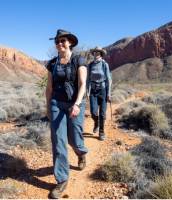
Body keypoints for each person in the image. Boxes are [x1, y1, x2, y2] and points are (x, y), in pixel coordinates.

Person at [46, 29, 88, 199]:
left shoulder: (79, 60)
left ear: (70, 42)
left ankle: (81, 152)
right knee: (58, 141)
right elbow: (49, 88)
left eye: (63, 41)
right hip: (57, 103)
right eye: (57, 41)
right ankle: (62, 180)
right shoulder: (52, 63)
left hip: (75, 103)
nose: (59, 44)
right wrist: (48, 107)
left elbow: (83, 83)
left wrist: (77, 104)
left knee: (74, 138)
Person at [87, 46, 112, 141]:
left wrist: (109, 93)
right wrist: (87, 91)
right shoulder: (90, 65)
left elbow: (109, 79)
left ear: (101, 54)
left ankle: (101, 132)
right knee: (93, 112)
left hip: (103, 91)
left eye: (98, 52)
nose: (96, 54)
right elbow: (88, 79)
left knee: (102, 114)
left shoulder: (104, 64)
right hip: (93, 91)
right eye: (95, 52)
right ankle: (96, 123)